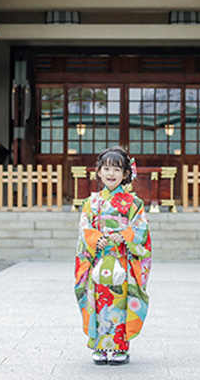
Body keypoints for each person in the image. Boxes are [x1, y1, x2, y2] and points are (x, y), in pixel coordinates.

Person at [74, 146, 152, 365]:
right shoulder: (91, 203)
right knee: (98, 301)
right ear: (98, 172)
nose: (111, 174)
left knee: (119, 300)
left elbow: (141, 229)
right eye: (106, 168)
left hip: (122, 259)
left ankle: (120, 348)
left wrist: (126, 235)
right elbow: (84, 228)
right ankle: (99, 345)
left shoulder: (134, 203)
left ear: (126, 174)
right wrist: (93, 238)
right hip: (98, 258)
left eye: (116, 170)